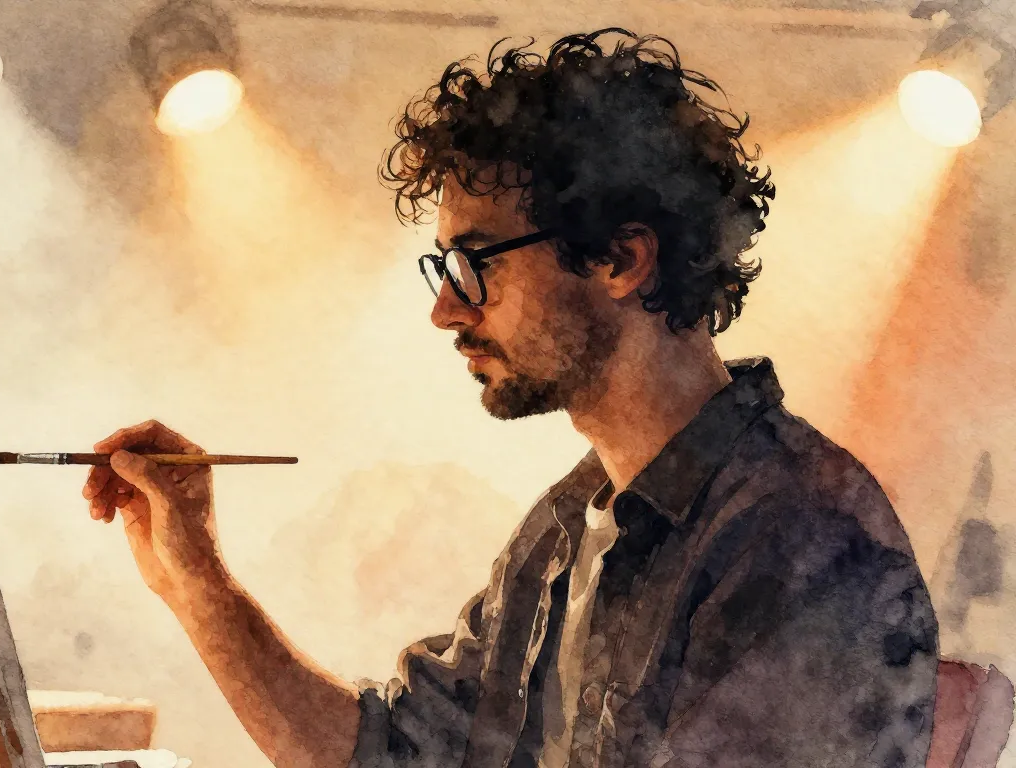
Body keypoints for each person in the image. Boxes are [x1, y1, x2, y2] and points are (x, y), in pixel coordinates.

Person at [82, 28, 938, 768]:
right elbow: (392, 754)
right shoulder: (568, 524)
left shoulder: (801, 536)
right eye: (444, 268)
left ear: (621, 260)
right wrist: (196, 580)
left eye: (475, 263)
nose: (446, 310)